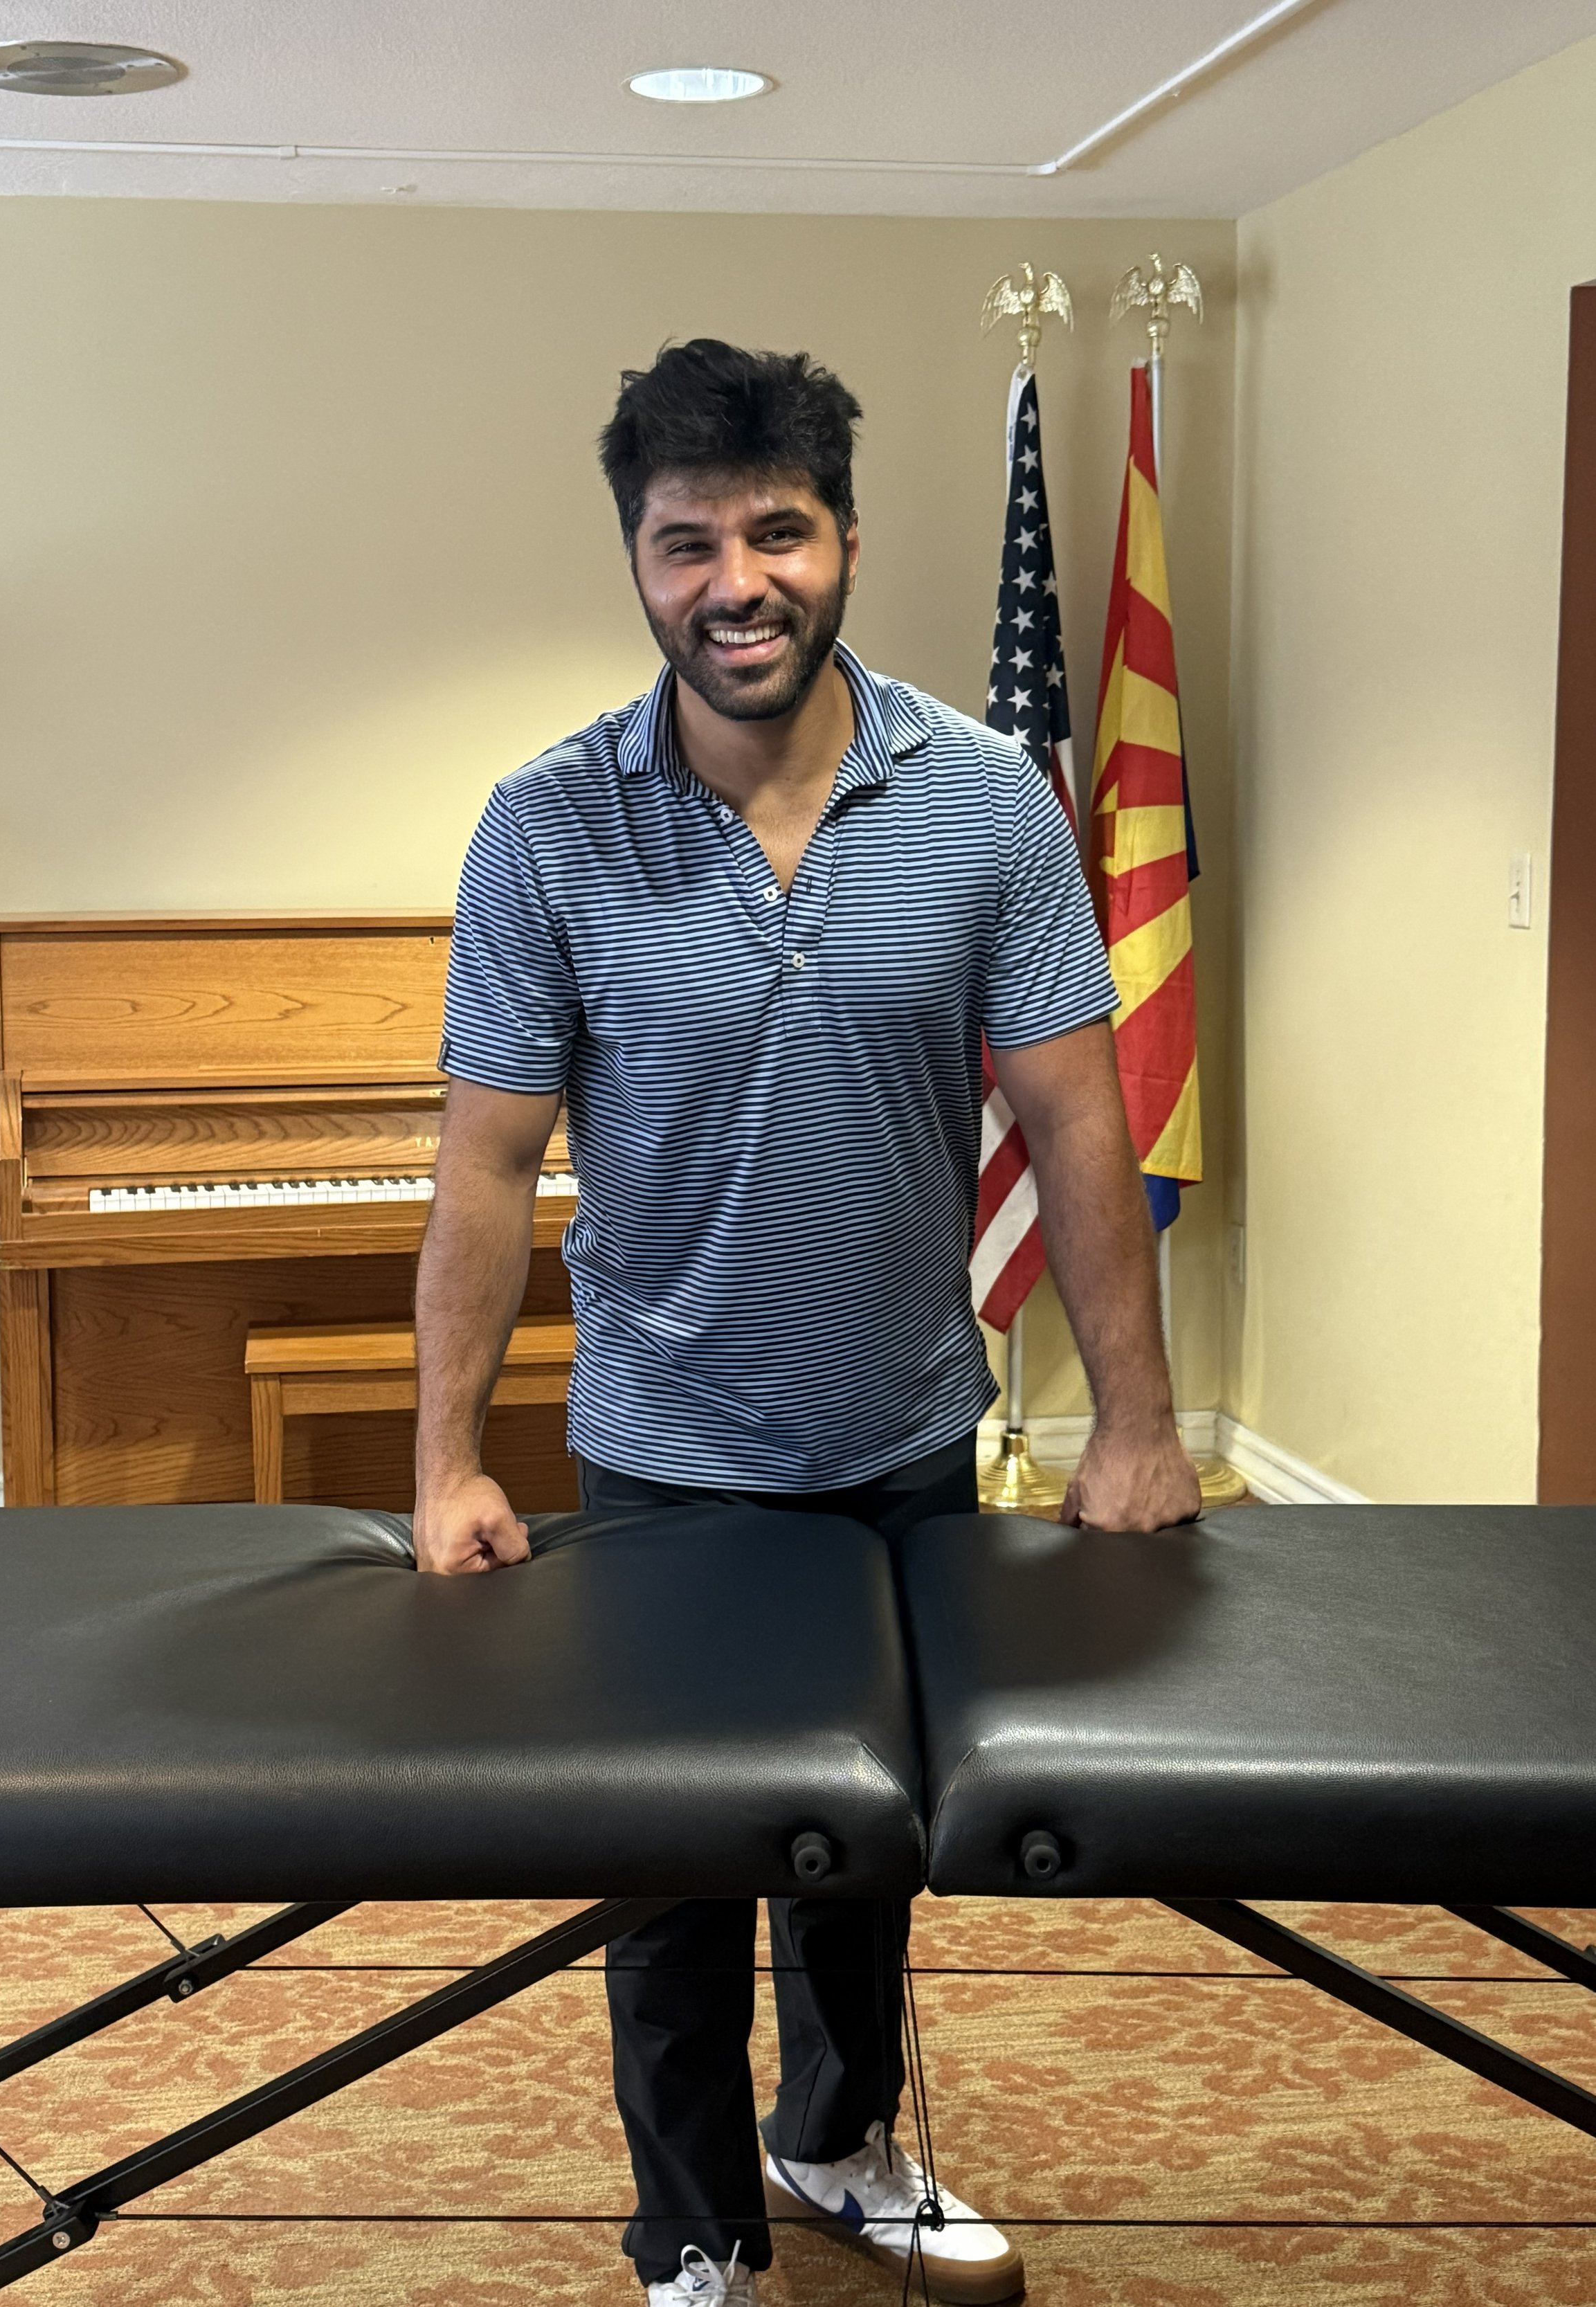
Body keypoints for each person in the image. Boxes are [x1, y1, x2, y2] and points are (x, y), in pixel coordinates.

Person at [412, 338, 1201, 2307]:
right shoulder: (544, 825)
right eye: (687, 542)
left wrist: (1134, 1423)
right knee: (673, 1881)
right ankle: (693, 2232)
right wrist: (440, 1464)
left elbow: (1076, 1118)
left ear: (844, 539)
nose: (734, 579)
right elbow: (489, 1169)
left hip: (903, 1438)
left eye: (776, 529)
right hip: (668, 1456)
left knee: (867, 1860)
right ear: (636, 560)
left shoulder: (990, 813)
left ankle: (834, 2138)